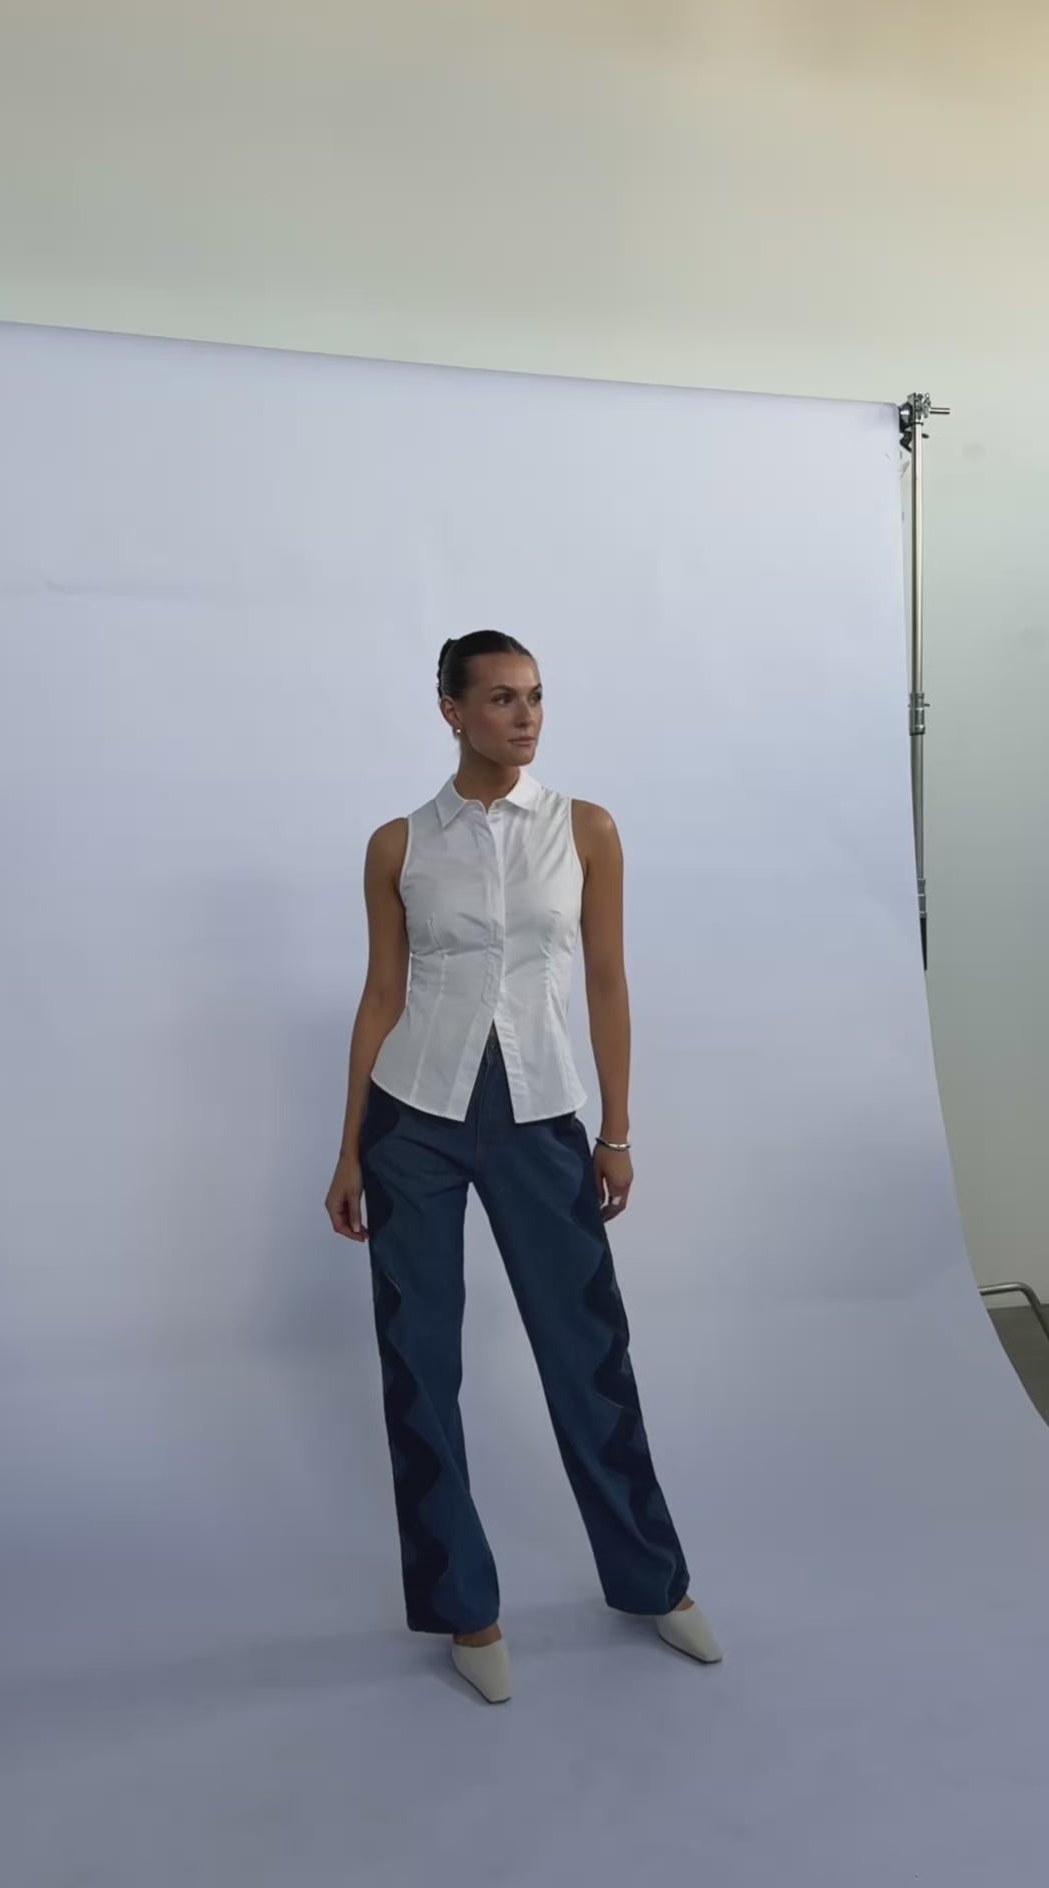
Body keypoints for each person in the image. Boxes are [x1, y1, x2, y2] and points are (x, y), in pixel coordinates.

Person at [325, 630, 721, 1703]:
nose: (526, 716)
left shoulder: (584, 829)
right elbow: (381, 994)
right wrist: (350, 1147)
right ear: (451, 712)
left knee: (588, 1354)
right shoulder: (399, 845)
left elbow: (606, 979)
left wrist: (617, 1130)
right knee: (420, 1362)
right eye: (501, 698)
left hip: (540, 1112)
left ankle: (652, 1579)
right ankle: (466, 1605)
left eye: (536, 696)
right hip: (414, 1117)